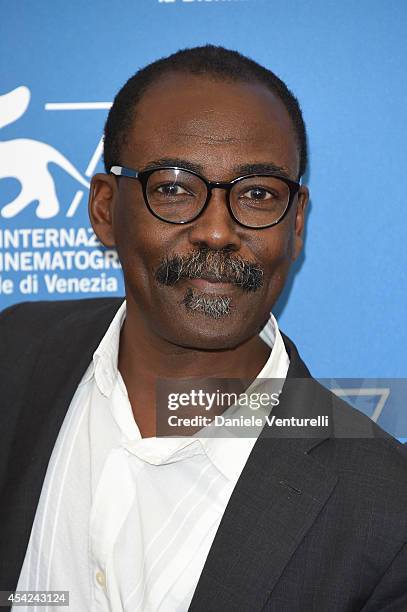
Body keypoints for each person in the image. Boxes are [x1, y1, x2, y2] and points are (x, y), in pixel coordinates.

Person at [1, 45, 406, 612]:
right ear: (104, 209)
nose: (217, 231)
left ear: (296, 224)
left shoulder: (387, 512)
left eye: (258, 194)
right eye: (173, 187)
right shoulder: (16, 352)